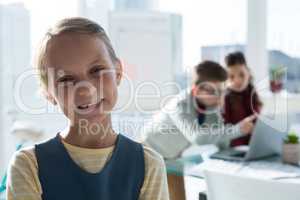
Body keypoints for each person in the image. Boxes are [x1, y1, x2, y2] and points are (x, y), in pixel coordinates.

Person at [6, 17, 169, 200]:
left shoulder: (149, 165)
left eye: (96, 70)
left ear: (118, 73)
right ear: (49, 94)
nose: (85, 90)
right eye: (66, 80)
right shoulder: (28, 166)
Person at [143, 60, 256, 159]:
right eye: (212, 91)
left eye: (222, 91)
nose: (219, 97)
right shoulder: (180, 105)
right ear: (196, 91)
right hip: (146, 152)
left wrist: (236, 157)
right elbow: (197, 137)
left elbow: (220, 138)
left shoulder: (211, 107)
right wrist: (238, 130)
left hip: (172, 157)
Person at [223, 51, 263, 146]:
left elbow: (258, 122)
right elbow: (226, 130)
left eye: (241, 75)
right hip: (234, 147)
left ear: (248, 73)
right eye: (231, 77)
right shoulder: (225, 97)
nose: (237, 80)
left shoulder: (252, 92)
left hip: (254, 145)